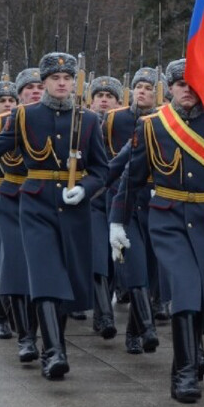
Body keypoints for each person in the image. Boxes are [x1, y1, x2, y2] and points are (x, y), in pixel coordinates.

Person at [109, 58, 204, 402]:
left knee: (199, 293)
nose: (187, 91)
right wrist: (117, 222)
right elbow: (132, 178)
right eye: (181, 84)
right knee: (184, 289)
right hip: (167, 218)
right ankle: (184, 374)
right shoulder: (151, 126)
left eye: (194, 84)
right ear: (169, 88)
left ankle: (194, 352)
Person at [0, 53, 109, 379]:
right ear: (43, 83)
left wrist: (85, 187)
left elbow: (102, 169)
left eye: (67, 78)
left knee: (66, 280)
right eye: (55, 78)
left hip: (74, 210)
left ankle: (52, 346)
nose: (61, 83)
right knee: (45, 275)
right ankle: (55, 352)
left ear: (73, 82)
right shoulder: (26, 116)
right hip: (35, 205)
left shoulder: (86, 120)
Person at [103, 67, 162, 355]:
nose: (142, 91)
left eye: (149, 87)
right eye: (138, 86)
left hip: (159, 200)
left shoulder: (164, 121)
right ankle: (147, 327)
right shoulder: (115, 118)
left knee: (151, 268)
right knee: (134, 264)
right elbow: (109, 159)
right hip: (126, 196)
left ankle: (134, 332)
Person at [0, 69, 41, 359]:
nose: (35, 91)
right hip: (12, 199)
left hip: (44, 201)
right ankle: (25, 336)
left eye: (40, 86)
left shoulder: (59, 121)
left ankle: (32, 329)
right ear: (19, 93)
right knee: (14, 263)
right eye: (29, 88)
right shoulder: (2, 122)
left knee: (39, 269)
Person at [89, 75, 125, 340]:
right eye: (99, 96)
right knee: (97, 255)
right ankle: (104, 314)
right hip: (92, 196)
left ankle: (106, 303)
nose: (103, 100)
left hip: (116, 194)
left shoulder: (124, 124)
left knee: (114, 258)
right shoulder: (83, 123)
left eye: (109, 96)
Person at [0, 81, 18, 340]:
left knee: (11, 259)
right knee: (1, 260)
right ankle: (1, 311)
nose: (8, 105)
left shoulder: (25, 125)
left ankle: (3, 309)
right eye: (2, 102)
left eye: (12, 101)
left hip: (18, 198)